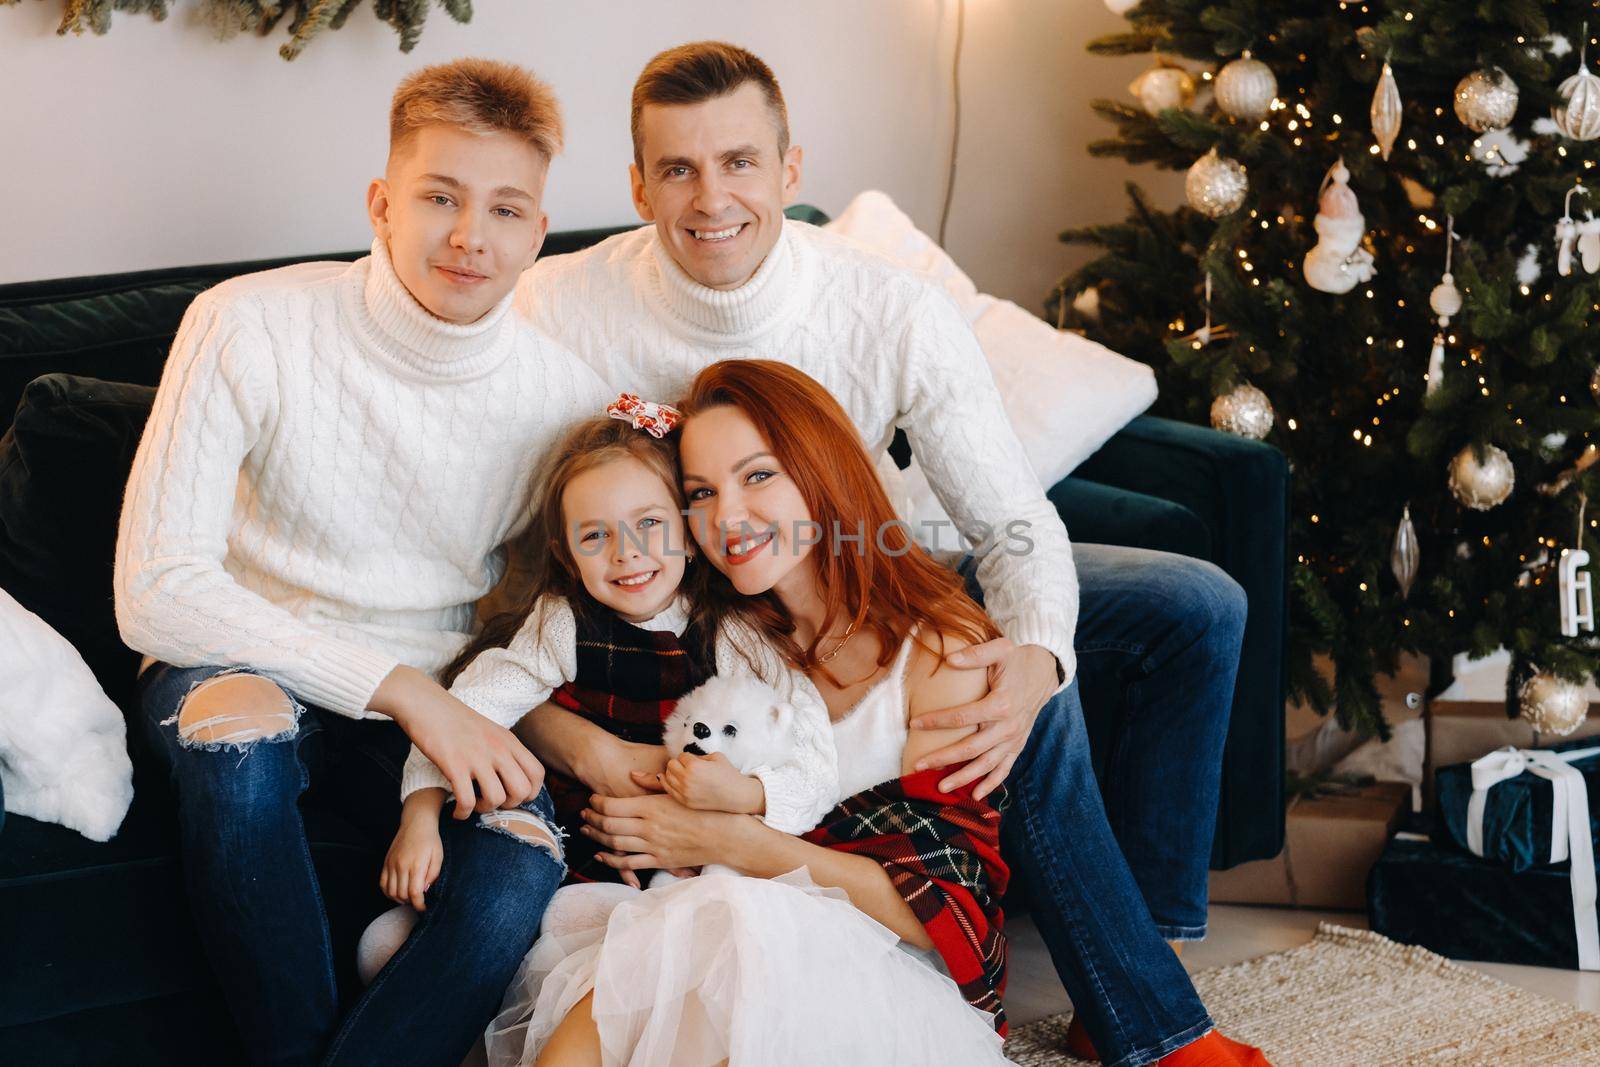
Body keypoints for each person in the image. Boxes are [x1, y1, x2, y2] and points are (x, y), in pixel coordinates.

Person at [513, 42, 1258, 1067]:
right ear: (637, 185)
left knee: (1174, 612)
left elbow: (1009, 517)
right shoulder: (560, 305)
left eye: (738, 162)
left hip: (884, 559)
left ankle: (1138, 974)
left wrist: (1037, 654)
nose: (710, 196)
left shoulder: (884, 306)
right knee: (1008, 661)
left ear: (790, 170)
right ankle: (1155, 1021)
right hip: (725, 591)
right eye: (676, 169)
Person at [113, 58, 611, 1066]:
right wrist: (401, 691)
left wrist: (478, 712)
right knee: (239, 749)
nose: (470, 234)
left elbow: (559, 609)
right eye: (440, 197)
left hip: (442, 682)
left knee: (519, 864)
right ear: (383, 204)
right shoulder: (246, 322)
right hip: (240, 656)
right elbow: (156, 586)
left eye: (505, 210)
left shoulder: (564, 395)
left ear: (537, 234)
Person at [490, 359, 1016, 1067]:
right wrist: (593, 750)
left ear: (821, 472)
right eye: (700, 492)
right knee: (705, 937)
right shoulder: (716, 623)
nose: (727, 517)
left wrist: (723, 839)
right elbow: (518, 680)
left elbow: (948, 908)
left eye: (758, 475)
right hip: (700, 924)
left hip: (877, 968)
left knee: (736, 919)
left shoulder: (941, 654)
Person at [358, 401, 838, 976]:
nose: (627, 552)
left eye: (651, 524)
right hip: (571, 831)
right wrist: (419, 819)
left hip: (679, 851)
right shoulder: (562, 625)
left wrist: (748, 794)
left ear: (690, 535)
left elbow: (813, 754)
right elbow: (465, 712)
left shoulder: (734, 633)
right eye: (595, 536)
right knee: (391, 942)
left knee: (664, 927)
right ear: (567, 553)